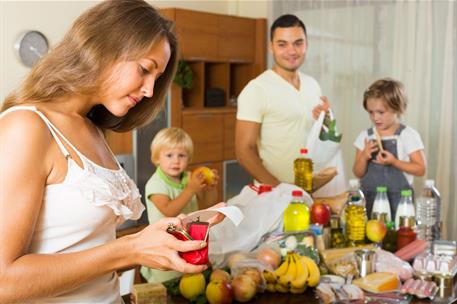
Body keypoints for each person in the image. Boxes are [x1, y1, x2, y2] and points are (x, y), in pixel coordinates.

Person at [0, 1, 224, 303]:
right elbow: (4, 282)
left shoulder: (92, 128)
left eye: (155, 79)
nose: (148, 90)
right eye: (144, 70)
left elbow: (86, 249)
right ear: (102, 49)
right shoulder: (27, 126)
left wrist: (153, 241)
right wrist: (130, 249)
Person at [236, 14, 330, 187]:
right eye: (282, 44)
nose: (292, 51)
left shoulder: (313, 85)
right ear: (271, 47)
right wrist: (279, 189)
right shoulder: (257, 90)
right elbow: (244, 151)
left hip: (309, 189)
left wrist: (327, 119)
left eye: (298, 43)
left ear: (306, 44)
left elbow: (320, 138)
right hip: (273, 193)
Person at [141, 127, 219, 283]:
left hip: (189, 242)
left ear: (189, 158)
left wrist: (211, 188)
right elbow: (168, 211)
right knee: (168, 283)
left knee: (191, 283)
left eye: (181, 155)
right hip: (165, 246)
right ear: (157, 158)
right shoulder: (155, 184)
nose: (176, 161)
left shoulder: (191, 178)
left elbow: (208, 205)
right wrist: (191, 189)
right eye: (169, 155)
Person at [353, 78, 426, 218]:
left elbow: (420, 169)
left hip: (400, 202)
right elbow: (358, 173)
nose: (375, 117)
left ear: (397, 108)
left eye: (381, 112)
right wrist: (364, 157)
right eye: (371, 112)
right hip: (369, 200)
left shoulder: (407, 135)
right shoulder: (365, 136)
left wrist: (394, 162)